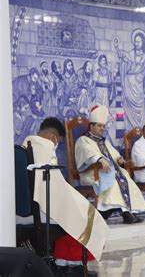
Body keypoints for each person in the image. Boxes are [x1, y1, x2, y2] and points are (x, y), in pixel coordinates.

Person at [20, 117, 108, 275]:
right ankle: (73, 265)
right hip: (42, 207)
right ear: (53, 137)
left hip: (26, 206)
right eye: (58, 142)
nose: (56, 145)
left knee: (76, 210)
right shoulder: (45, 146)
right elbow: (54, 186)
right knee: (86, 215)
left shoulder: (23, 146)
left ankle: (62, 260)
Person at [75, 105, 145, 224]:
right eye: (99, 125)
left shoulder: (104, 141)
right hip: (91, 173)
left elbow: (114, 154)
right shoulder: (83, 140)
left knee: (125, 177)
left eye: (103, 126)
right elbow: (88, 153)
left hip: (107, 172)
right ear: (91, 126)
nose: (102, 128)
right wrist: (100, 160)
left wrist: (120, 160)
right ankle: (123, 213)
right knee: (113, 179)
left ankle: (126, 211)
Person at [115, 30, 145, 130]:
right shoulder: (131, 54)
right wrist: (123, 60)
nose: (137, 44)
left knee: (140, 107)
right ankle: (130, 131)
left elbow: (142, 70)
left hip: (138, 85)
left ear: (143, 42)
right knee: (129, 108)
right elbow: (126, 63)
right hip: (129, 84)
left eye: (139, 42)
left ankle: (141, 129)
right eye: (135, 41)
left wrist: (139, 73)